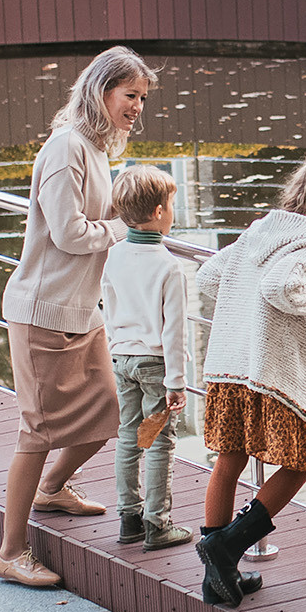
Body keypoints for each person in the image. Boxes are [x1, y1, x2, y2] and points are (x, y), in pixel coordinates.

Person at [0, 47, 151, 589]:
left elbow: (94, 218)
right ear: (102, 91)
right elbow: (68, 233)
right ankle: (11, 553)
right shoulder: (66, 149)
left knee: (109, 413)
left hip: (82, 312)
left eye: (141, 99)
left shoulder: (94, 149)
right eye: (130, 95)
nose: (137, 107)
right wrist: (123, 231)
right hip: (42, 313)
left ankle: (52, 489)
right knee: (36, 431)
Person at [193, 155, 306, 607]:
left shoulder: (260, 231)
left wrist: (246, 307)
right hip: (274, 371)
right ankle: (227, 545)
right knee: (302, 460)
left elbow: (209, 276)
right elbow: (281, 289)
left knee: (229, 458)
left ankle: (217, 578)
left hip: (231, 363)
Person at [102, 165, 194, 552]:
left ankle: (129, 518)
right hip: (155, 365)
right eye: (171, 204)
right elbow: (173, 330)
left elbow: (106, 306)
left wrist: (113, 348)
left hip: (121, 358)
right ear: (158, 212)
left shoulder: (112, 255)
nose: (173, 211)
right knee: (157, 443)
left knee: (128, 435)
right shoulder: (168, 265)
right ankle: (158, 523)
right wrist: (177, 381)